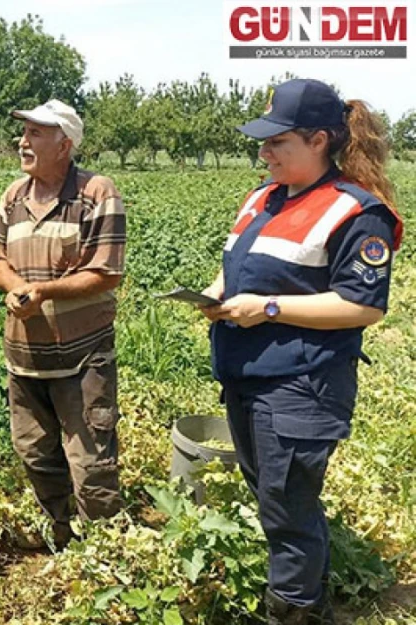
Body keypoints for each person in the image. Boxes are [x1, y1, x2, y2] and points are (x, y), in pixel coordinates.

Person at [199, 79, 403, 624]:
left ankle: (294, 613)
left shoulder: (357, 213)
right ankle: (308, 599)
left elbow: (364, 307)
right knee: (278, 500)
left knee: (287, 512)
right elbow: (239, 261)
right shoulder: (262, 198)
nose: (262, 153)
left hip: (302, 388)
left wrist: (267, 309)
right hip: (249, 379)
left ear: (318, 140)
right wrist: (219, 291)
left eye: (276, 142)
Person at [0, 100, 126, 549]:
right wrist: (14, 286)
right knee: (34, 452)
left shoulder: (97, 193)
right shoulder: (14, 195)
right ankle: (61, 535)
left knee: (91, 461)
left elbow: (107, 273)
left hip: (82, 357)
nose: (22, 142)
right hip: (25, 359)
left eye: (35, 134)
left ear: (64, 145)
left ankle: (105, 551)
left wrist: (43, 292)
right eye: (24, 133)